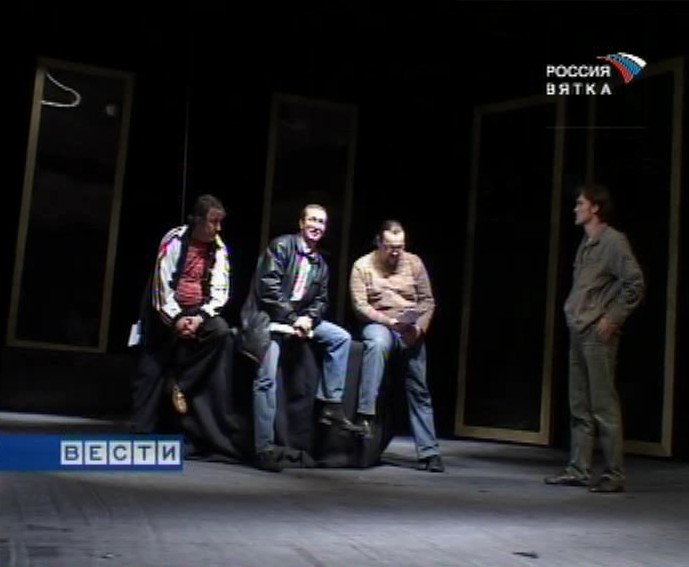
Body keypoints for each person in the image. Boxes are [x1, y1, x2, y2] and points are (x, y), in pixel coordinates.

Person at [241, 204, 364, 472]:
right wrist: (291, 317)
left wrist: (308, 318)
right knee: (265, 379)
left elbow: (321, 301)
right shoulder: (281, 246)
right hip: (269, 319)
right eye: (312, 220)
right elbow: (268, 288)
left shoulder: (321, 264)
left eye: (322, 222)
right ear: (301, 223)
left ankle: (331, 403)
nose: (317, 226)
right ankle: (264, 449)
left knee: (341, 338)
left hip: (298, 321)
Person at [545, 184, 644, 493]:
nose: (576, 209)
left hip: (597, 335)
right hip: (578, 330)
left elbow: (635, 283)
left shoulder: (613, 242)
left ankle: (614, 473)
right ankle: (579, 468)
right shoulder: (586, 243)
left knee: (603, 405)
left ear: (595, 208)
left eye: (580, 204)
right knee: (579, 405)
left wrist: (612, 318)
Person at [130, 194, 231, 433]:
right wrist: (176, 319)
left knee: (220, 331)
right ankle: (141, 428)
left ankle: (181, 384)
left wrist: (199, 318)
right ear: (198, 220)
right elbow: (161, 285)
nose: (218, 228)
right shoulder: (174, 240)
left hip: (197, 311)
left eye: (220, 222)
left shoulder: (218, 248)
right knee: (151, 365)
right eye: (213, 222)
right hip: (166, 310)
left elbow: (220, 290)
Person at [349, 220, 444, 472]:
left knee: (419, 389)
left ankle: (429, 452)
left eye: (400, 247)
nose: (396, 252)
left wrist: (418, 329)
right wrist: (388, 322)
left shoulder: (414, 263)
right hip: (380, 322)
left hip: (409, 328)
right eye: (390, 247)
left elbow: (427, 301)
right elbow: (360, 306)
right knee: (378, 343)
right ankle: (366, 415)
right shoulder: (362, 265)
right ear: (379, 243)